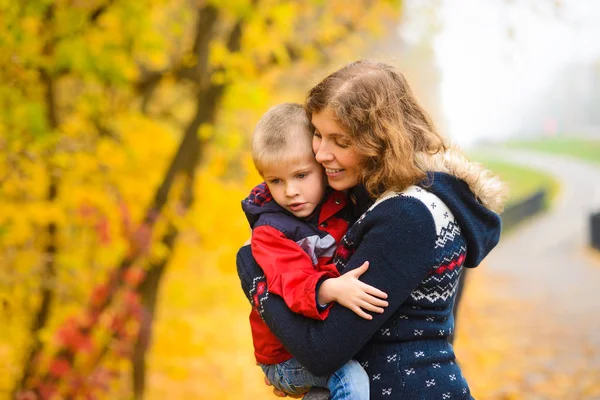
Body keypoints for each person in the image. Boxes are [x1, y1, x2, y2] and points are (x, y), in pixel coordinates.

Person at [237, 60, 507, 399]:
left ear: (379, 141)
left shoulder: (406, 216)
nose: (320, 153)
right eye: (318, 134)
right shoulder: (380, 203)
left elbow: (321, 351)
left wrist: (253, 274)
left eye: (340, 141)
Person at [243, 102, 390, 399]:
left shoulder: (341, 202)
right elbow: (292, 282)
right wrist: (330, 288)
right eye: (276, 181)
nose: (290, 191)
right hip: (284, 357)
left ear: (322, 167)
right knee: (350, 379)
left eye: (301, 175)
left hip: (322, 338)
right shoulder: (270, 232)